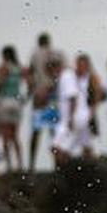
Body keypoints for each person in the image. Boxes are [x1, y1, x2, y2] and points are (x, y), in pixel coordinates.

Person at [26, 33, 63, 171]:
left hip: (39, 95)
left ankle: (31, 164)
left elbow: (30, 73)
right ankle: (57, 165)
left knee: (36, 130)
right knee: (53, 131)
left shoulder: (35, 54)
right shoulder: (56, 53)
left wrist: (31, 91)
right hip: (53, 95)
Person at [53, 53, 95, 163]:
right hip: (82, 116)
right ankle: (91, 172)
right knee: (86, 146)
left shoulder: (67, 76)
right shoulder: (82, 77)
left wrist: (70, 118)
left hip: (74, 117)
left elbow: (73, 98)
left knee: (59, 147)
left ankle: (63, 173)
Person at [0, 45, 27, 172]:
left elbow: (0, 83)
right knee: (15, 136)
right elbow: (31, 83)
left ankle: (9, 165)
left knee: (5, 136)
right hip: (17, 102)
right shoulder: (20, 68)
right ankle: (20, 164)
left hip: (5, 100)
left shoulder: (3, 67)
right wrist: (25, 98)